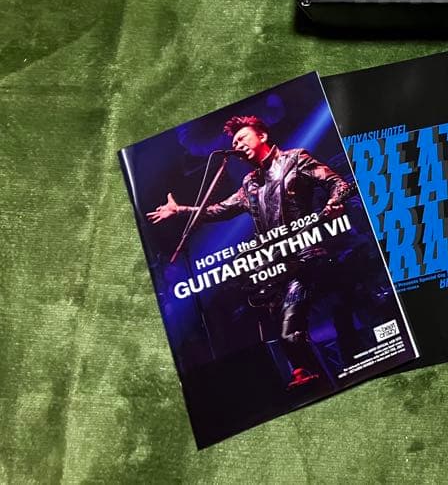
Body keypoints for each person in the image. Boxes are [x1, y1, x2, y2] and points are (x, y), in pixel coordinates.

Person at [147, 115, 355, 389]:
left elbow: (338, 183)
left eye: (242, 138)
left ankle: (315, 378)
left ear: (262, 136)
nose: (237, 145)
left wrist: (335, 201)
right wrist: (180, 210)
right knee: (280, 337)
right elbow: (219, 209)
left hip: (304, 258)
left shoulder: (295, 159)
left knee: (290, 334)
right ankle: (314, 379)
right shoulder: (250, 183)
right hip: (274, 268)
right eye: (234, 142)